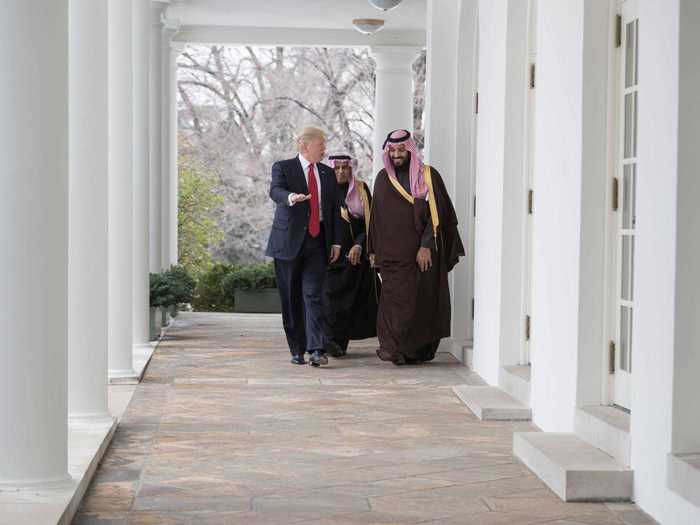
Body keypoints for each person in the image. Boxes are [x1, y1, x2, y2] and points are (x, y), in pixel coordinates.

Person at [368, 129, 465, 365]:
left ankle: (415, 351)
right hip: (392, 256)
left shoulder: (428, 176)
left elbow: (439, 215)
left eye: (402, 150)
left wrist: (426, 246)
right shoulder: (382, 178)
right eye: (392, 151)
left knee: (420, 303)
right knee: (392, 302)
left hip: (421, 255)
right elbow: (376, 218)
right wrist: (373, 250)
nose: (397, 155)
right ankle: (391, 348)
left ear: (410, 150)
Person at [265, 127, 343, 367]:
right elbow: (275, 191)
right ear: (305, 145)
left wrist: (337, 241)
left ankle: (316, 349)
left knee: (314, 295)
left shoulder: (328, 173)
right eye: (321, 144)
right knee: (291, 297)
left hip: (318, 242)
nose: (324, 149)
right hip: (288, 242)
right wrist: (291, 197)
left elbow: (334, 211)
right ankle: (297, 349)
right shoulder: (283, 167)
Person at [323, 155, 380, 357]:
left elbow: (370, 224)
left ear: (350, 169)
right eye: (336, 168)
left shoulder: (361, 189)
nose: (340, 172)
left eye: (344, 168)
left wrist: (359, 244)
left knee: (347, 302)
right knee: (328, 300)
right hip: (328, 256)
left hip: (353, 258)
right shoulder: (323, 189)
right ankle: (326, 341)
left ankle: (339, 343)